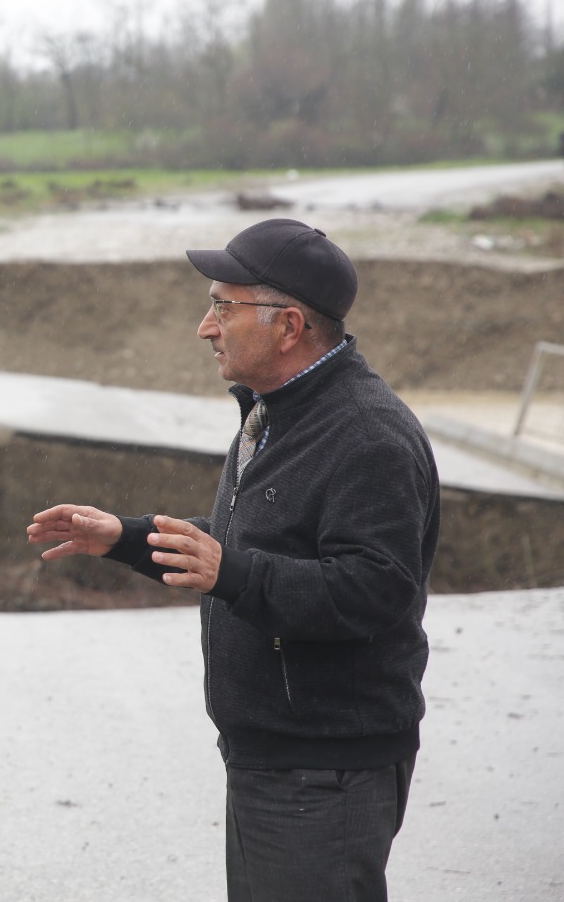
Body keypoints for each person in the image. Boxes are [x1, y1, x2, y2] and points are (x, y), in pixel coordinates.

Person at [27, 218, 439, 902]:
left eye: (223, 306)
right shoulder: (278, 412)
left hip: (324, 770)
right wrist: (125, 537)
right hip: (275, 759)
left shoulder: (367, 436)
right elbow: (242, 547)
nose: (205, 326)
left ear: (289, 327)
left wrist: (234, 573)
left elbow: (376, 591)